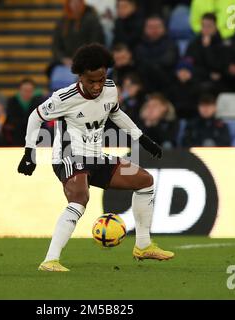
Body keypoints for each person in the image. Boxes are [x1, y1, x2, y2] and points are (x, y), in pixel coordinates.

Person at [17, 43, 174, 272]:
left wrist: (142, 139)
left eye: (101, 79)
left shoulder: (110, 89)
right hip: (68, 157)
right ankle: (50, 260)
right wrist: (29, 153)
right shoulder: (64, 97)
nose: (97, 85)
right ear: (80, 76)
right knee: (80, 197)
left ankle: (143, 245)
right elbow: (35, 117)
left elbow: (116, 113)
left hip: (96, 156)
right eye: (91, 81)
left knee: (145, 181)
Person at [134, 15, 179, 92]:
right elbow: (140, 64)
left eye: (157, 27)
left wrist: (152, 64)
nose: (154, 30)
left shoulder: (171, 44)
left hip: (167, 84)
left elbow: (168, 61)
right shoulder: (139, 45)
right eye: (151, 27)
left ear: (164, 28)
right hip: (145, 85)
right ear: (145, 29)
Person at [186, 13, 225, 95]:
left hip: (215, 82)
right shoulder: (195, 42)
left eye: (209, 26)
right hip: (198, 77)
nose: (206, 29)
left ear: (215, 27)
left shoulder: (222, 44)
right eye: (203, 26)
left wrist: (207, 48)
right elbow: (190, 62)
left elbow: (217, 66)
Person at [7, 78, 45, 144]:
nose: (27, 93)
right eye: (25, 90)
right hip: (17, 139)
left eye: (30, 91)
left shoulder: (38, 103)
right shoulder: (12, 102)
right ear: (20, 90)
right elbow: (11, 120)